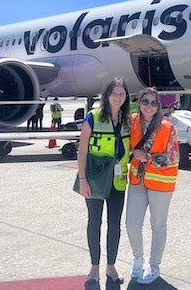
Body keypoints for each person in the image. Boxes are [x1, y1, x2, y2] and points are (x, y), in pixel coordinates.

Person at [76, 77, 131, 290]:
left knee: (114, 224)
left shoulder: (127, 120)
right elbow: (82, 151)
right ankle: (93, 267)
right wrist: (82, 180)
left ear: (126, 97)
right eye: (114, 93)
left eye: (122, 93)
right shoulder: (93, 117)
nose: (118, 97)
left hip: (118, 180)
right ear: (107, 95)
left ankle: (111, 266)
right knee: (94, 222)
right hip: (95, 179)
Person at [126, 87, 179, 285]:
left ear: (159, 106)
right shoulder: (132, 122)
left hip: (160, 183)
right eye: (145, 101)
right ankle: (138, 259)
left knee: (158, 225)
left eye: (153, 103)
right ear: (139, 103)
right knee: (132, 224)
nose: (149, 106)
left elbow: (173, 157)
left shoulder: (167, 127)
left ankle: (154, 266)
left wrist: (146, 157)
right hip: (137, 181)